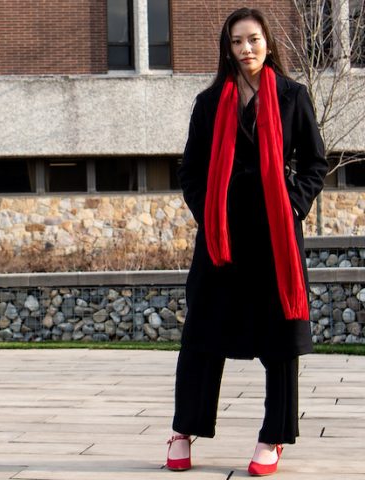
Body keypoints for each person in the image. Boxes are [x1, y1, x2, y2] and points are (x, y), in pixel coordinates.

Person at [166, 7, 328, 476]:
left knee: (280, 338)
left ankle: (273, 436)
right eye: (237, 42)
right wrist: (207, 213)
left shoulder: (294, 97)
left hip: (275, 238)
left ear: (268, 43)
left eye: (253, 39)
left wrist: (293, 206)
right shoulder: (210, 101)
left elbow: (315, 163)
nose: (246, 49)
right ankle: (183, 429)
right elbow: (190, 171)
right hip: (221, 239)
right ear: (228, 48)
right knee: (201, 336)